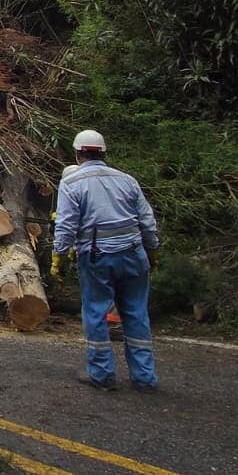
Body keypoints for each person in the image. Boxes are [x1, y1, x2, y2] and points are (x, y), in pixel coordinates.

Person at [52, 129, 160, 393]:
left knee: (96, 313)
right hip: (135, 255)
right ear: (103, 153)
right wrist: (152, 249)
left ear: (78, 154)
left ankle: (101, 375)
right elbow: (147, 220)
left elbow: (66, 226)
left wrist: (59, 256)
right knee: (136, 313)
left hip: (98, 257)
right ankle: (144, 378)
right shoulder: (127, 180)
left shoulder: (72, 183)